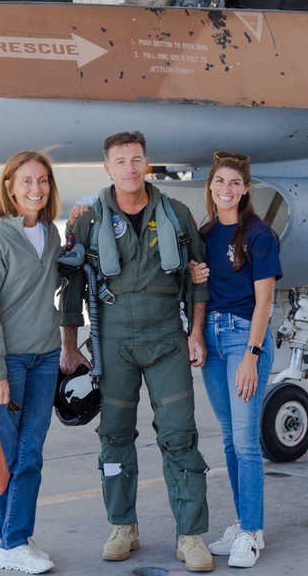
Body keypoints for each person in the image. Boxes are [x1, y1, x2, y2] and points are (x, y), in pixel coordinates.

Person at [59, 131, 215, 572]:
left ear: (147, 163)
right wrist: (71, 348)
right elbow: (71, 291)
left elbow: (198, 282)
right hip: (113, 342)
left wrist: (196, 333)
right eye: (120, 160)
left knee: (180, 437)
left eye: (136, 159)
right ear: (107, 169)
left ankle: (191, 535)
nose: (129, 167)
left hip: (167, 338)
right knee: (113, 438)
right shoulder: (86, 222)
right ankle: (122, 526)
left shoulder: (177, 214)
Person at [188, 151, 282, 568]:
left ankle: (252, 533)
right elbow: (202, 292)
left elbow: (265, 302)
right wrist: (197, 333)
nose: (225, 189)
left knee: (246, 443)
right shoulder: (206, 233)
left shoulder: (259, 236)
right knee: (228, 438)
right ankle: (242, 522)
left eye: (234, 183)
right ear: (210, 187)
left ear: (245, 189)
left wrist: (252, 355)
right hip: (212, 338)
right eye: (219, 182)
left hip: (246, 336)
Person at [0, 151, 64, 575]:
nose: (36, 189)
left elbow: (62, 285)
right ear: (9, 187)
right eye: (26, 181)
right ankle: (10, 544)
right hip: (7, 363)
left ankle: (18, 540)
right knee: (7, 454)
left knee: (32, 454)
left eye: (43, 181)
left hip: (45, 359)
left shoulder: (53, 235)